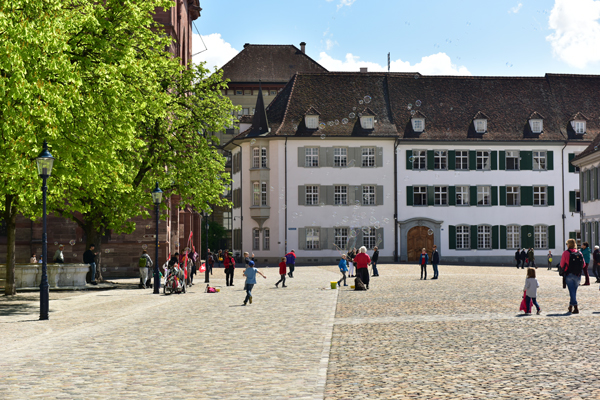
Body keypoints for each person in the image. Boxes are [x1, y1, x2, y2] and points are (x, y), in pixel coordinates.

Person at [560, 238, 584, 314]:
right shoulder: (579, 253)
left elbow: (561, 264)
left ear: (568, 245)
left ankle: (576, 306)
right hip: (578, 275)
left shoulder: (565, 253)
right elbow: (583, 265)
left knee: (572, 291)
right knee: (573, 291)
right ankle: (570, 306)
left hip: (569, 274)